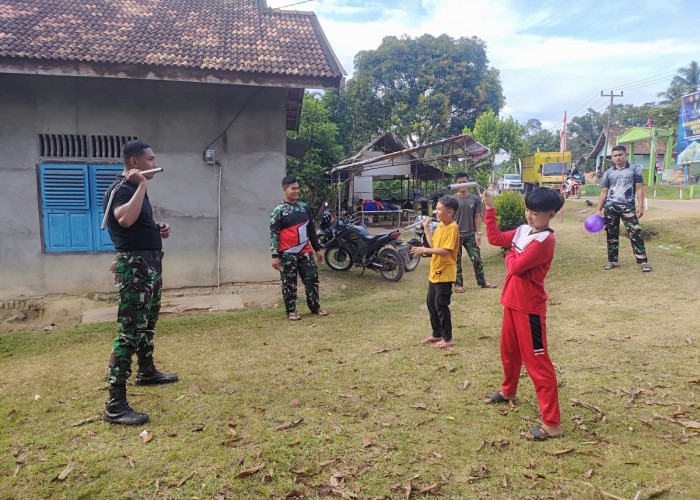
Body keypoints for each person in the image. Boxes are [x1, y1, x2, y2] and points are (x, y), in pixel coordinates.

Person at [102, 140, 178, 426]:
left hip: (148, 264)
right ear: (134, 163)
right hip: (134, 267)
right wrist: (142, 185)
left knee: (148, 322)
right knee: (129, 331)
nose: (154, 162)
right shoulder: (122, 188)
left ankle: (146, 371)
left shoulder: (134, 190)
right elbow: (123, 219)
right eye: (150, 158)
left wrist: (157, 228)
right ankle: (115, 403)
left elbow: (136, 222)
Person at [480, 187, 565, 441]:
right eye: (528, 210)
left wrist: (510, 255)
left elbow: (516, 266)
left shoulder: (545, 240)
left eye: (536, 213)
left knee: (538, 363)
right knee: (509, 350)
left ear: (551, 215)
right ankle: (509, 391)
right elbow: (495, 238)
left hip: (530, 310)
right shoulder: (523, 230)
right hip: (512, 302)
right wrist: (490, 209)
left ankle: (552, 424)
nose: (529, 216)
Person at [270, 176, 328, 321]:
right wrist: (275, 255)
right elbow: (274, 234)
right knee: (289, 283)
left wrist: (318, 249)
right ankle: (291, 311)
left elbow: (311, 230)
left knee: (312, 279)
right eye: (293, 188)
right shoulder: (279, 211)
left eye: (297, 188)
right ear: (285, 190)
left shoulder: (304, 207)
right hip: (287, 254)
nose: (296, 191)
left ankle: (315, 307)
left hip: (305, 252)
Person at [410, 196, 460, 349]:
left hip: (445, 273)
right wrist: (426, 228)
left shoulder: (452, 228)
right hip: (435, 272)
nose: (436, 212)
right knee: (431, 304)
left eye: (439, 209)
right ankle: (437, 333)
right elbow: (433, 244)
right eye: (436, 208)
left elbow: (446, 250)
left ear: (450, 211)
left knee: (441, 305)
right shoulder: (440, 226)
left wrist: (425, 250)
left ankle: (448, 338)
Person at [596, 145, 651, 272]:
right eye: (615, 156)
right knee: (611, 234)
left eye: (620, 155)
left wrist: (640, 206)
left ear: (625, 155)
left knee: (635, 232)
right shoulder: (609, 172)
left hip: (628, 206)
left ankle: (643, 261)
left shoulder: (635, 169)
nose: (618, 157)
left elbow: (639, 188)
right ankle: (612, 261)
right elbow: (604, 192)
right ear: (612, 158)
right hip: (610, 206)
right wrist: (599, 210)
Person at [451, 172, 496, 292]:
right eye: (459, 182)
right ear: (456, 184)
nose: (462, 184)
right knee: (456, 261)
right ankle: (458, 285)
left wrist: (479, 233)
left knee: (476, 259)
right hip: (456, 235)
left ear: (469, 183)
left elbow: (477, 216)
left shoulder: (475, 199)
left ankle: (482, 282)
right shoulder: (452, 200)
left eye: (464, 182)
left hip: (470, 234)